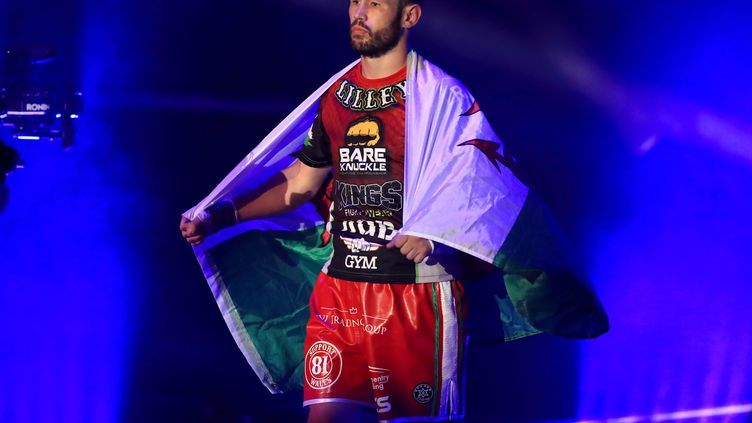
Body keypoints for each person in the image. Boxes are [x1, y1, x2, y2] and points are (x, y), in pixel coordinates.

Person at [181, 0, 608, 421]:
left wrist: (437, 229)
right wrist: (222, 214)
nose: (359, 13)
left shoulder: (439, 94)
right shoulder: (337, 97)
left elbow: (482, 180)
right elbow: (300, 181)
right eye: (354, 1)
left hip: (413, 297)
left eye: (375, 3)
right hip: (339, 295)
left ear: (409, 16)